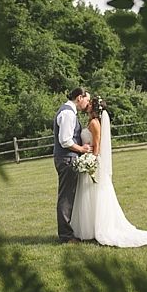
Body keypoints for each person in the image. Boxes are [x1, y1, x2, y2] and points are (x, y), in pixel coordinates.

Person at [70, 95, 147, 248]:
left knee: (93, 196)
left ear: (94, 108)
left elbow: (97, 146)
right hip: (88, 160)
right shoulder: (91, 121)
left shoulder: (94, 123)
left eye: (90, 103)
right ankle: (88, 229)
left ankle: (97, 229)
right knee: (88, 196)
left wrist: (90, 161)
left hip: (91, 162)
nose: (87, 105)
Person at [53, 87, 92, 244]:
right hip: (67, 159)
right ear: (79, 97)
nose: (87, 103)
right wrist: (81, 149)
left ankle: (69, 232)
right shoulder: (68, 113)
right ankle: (66, 236)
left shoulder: (68, 111)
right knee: (66, 198)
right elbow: (65, 140)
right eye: (87, 100)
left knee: (68, 196)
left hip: (65, 158)